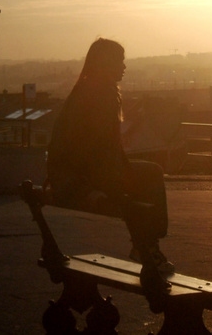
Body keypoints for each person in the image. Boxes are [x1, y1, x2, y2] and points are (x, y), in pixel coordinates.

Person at [46, 38, 173, 289]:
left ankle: (146, 246)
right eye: (120, 61)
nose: (124, 67)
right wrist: (108, 179)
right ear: (107, 64)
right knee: (152, 175)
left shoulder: (83, 91)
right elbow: (103, 148)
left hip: (69, 177)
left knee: (145, 176)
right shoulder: (103, 94)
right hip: (85, 178)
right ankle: (148, 247)